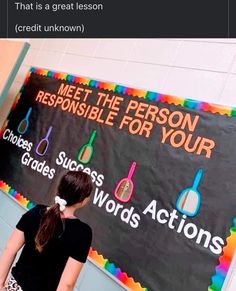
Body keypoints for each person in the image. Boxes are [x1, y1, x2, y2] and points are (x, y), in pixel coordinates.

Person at [0, 171, 93, 291]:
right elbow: (67, 284)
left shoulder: (36, 212)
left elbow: (10, 249)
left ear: (59, 189)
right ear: (83, 200)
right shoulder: (83, 233)